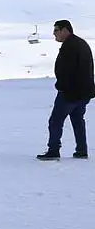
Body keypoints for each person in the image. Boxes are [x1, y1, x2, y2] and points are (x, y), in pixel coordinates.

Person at [37, 20, 95, 160]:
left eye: (56, 30)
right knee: (77, 119)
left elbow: (65, 71)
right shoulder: (81, 43)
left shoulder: (69, 46)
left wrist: (62, 87)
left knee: (56, 121)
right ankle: (82, 150)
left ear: (65, 30)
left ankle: (54, 150)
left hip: (70, 93)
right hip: (84, 92)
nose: (54, 34)